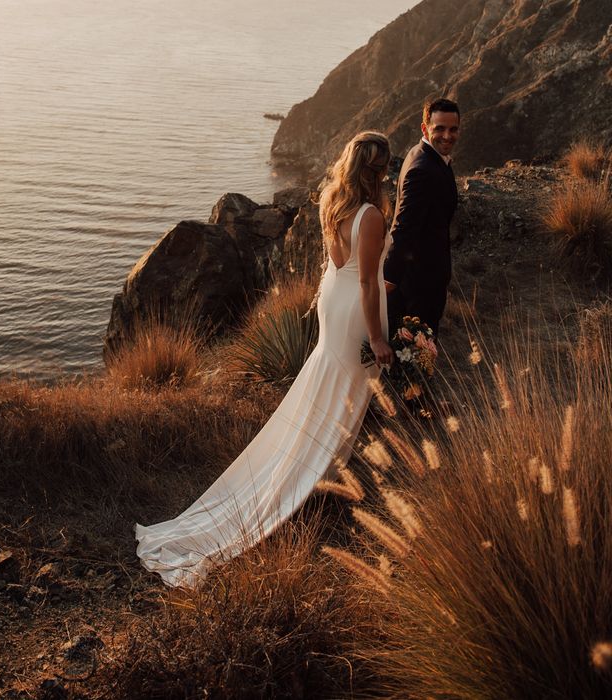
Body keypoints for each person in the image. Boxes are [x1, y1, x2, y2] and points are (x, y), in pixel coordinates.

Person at [136, 132, 394, 588]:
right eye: (382, 167)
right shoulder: (372, 214)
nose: (384, 174)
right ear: (374, 169)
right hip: (357, 308)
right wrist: (377, 338)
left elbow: (341, 265)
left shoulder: (333, 201)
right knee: (347, 391)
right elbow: (370, 282)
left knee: (325, 384)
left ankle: (314, 470)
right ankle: (310, 478)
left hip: (334, 299)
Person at [384, 98, 460, 337]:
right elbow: (403, 228)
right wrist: (389, 278)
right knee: (415, 357)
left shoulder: (425, 155)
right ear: (425, 128)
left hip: (425, 278)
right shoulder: (422, 170)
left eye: (453, 129)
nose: (447, 136)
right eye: (440, 128)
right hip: (417, 284)